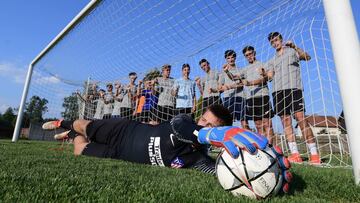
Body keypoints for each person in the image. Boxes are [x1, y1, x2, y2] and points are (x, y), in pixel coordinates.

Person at [42, 104, 291, 193]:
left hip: (118, 154)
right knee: (85, 125)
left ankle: (72, 134)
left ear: (223, 130)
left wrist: (265, 173)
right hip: (125, 130)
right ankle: (66, 123)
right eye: (203, 120)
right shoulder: (183, 123)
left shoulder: (198, 159)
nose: (202, 124)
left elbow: (220, 172)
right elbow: (184, 127)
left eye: (210, 125)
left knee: (80, 150)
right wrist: (207, 132)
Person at [266, 32, 320, 164]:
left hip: (294, 89)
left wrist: (295, 46)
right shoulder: (271, 60)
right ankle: (295, 154)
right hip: (278, 92)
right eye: (272, 42)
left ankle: (314, 155)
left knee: (301, 119)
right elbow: (270, 77)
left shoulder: (291, 51)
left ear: (281, 39)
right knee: (286, 121)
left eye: (276, 40)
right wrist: (265, 73)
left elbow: (307, 57)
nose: (275, 43)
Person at [240, 46, 275, 145]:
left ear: (254, 53)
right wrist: (227, 71)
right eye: (246, 55)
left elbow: (267, 79)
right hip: (251, 98)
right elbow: (235, 77)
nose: (249, 56)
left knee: (267, 124)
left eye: (250, 54)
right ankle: (262, 146)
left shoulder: (263, 64)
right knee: (258, 125)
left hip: (263, 96)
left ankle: (270, 147)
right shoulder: (245, 69)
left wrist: (262, 75)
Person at [220, 50, 249, 129]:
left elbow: (241, 83)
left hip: (240, 97)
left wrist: (230, 86)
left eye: (232, 57)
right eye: (228, 58)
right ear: (226, 59)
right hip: (227, 98)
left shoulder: (241, 70)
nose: (231, 59)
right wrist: (220, 88)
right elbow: (220, 87)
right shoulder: (222, 72)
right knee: (227, 123)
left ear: (235, 58)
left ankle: (247, 140)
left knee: (244, 122)